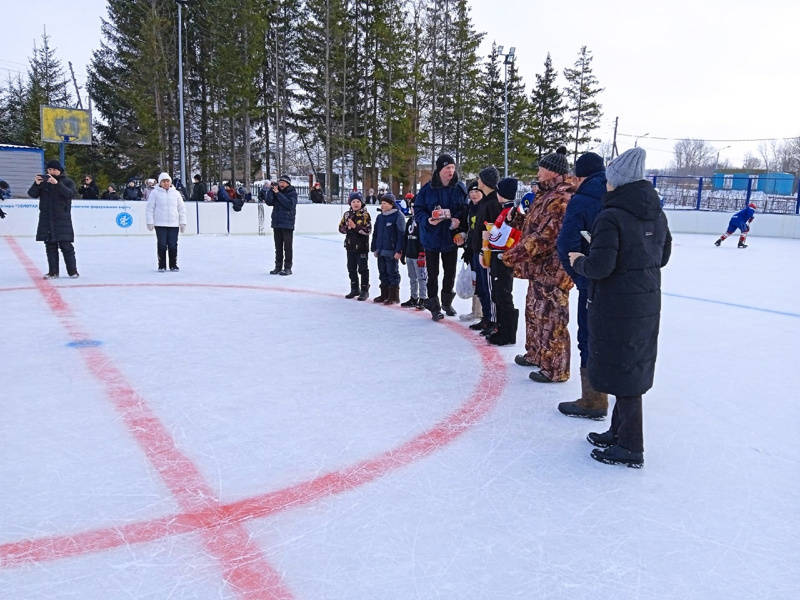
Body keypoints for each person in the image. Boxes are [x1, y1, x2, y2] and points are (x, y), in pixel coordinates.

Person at [568, 147, 672, 468]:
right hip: (644, 301)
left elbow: (600, 266)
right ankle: (617, 431)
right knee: (627, 366)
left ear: (617, 181)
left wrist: (579, 260)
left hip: (616, 304)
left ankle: (630, 446)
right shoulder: (656, 212)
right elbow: (663, 256)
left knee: (623, 371)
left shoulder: (611, 216)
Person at [503, 146, 577, 383]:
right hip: (539, 269)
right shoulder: (545, 194)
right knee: (535, 313)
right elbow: (535, 225)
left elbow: (547, 236)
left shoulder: (562, 197)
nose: (538, 171)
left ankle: (556, 369)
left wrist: (512, 255)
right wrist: (518, 218)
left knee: (552, 320)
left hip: (554, 270)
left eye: (542, 167)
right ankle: (536, 355)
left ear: (553, 172)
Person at [556, 151, 609, 418]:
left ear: (579, 176)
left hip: (592, 280)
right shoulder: (617, 194)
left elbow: (566, 244)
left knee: (588, 336)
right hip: (619, 282)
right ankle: (613, 395)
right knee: (613, 338)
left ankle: (593, 400)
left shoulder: (582, 201)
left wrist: (579, 275)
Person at [414, 153, 468, 321]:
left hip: (450, 238)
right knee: (433, 273)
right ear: (439, 170)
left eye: (452, 167)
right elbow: (418, 211)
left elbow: (465, 208)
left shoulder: (460, 188)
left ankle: (446, 302)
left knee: (450, 272)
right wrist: (428, 221)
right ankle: (434, 305)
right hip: (431, 238)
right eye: (447, 168)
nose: (451, 171)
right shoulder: (427, 190)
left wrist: (457, 220)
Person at [483, 177, 521, 346]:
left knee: (503, 294)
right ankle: (502, 328)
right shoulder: (504, 210)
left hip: (502, 256)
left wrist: (489, 236)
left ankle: (507, 332)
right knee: (499, 293)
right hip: (499, 255)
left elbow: (502, 238)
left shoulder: (509, 212)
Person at [27, 160, 79, 279]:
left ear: (59, 170)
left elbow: (70, 194)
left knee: (66, 246)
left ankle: (73, 271)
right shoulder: (44, 183)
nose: (51, 172)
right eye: (49, 169)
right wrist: (36, 184)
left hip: (62, 219)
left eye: (54, 170)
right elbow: (31, 194)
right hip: (46, 218)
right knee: (50, 246)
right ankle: (53, 272)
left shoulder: (67, 182)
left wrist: (57, 183)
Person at [469, 167, 503, 335]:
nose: (478, 181)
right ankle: (487, 318)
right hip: (478, 250)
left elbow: (494, 230)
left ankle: (493, 320)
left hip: (487, 253)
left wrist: (486, 250)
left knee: (489, 288)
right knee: (482, 287)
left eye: (480, 179)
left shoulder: (493, 203)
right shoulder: (484, 202)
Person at [454, 180, 484, 323]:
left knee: (482, 281)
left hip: (483, 249)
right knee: (474, 280)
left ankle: (484, 313)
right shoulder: (468, 208)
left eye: (476, 192)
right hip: (471, 248)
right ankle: (476, 311)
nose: (473, 195)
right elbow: (466, 227)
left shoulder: (485, 207)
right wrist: (462, 235)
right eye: (471, 192)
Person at [146, 172, 187, 272]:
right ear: (160, 183)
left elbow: (181, 209)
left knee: (173, 244)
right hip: (160, 224)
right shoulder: (155, 193)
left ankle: (173, 265)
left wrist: (183, 222)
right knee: (162, 244)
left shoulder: (176, 193)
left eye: (167, 181)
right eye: (163, 181)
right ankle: (162, 265)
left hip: (173, 224)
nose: (166, 183)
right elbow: (150, 208)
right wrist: (150, 222)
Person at [371, 192, 405, 304]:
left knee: (392, 272)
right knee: (382, 272)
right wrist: (374, 248)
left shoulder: (398, 216)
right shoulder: (380, 217)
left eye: (385, 203)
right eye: (381, 203)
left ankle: (394, 296)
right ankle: (384, 294)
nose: (382, 205)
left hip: (391, 251)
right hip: (380, 250)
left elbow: (401, 235)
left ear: (391, 204)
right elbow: (376, 233)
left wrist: (399, 250)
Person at [338, 191, 372, 300]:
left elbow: (368, 230)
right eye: (353, 201)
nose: (356, 203)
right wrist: (347, 228)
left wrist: (355, 227)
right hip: (350, 246)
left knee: (363, 269)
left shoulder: (365, 215)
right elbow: (341, 228)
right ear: (350, 203)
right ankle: (354, 288)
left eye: (358, 201)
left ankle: (364, 290)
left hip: (362, 247)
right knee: (351, 268)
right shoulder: (347, 215)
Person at [264, 175, 298, 275]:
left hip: (287, 223)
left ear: (288, 183)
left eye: (283, 183)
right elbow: (269, 202)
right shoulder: (277, 191)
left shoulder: (292, 192)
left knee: (287, 247)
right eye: (280, 182)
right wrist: (271, 191)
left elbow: (289, 204)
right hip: (277, 222)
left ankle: (288, 267)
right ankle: (278, 267)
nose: (281, 184)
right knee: (278, 247)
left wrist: (278, 194)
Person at [400, 197, 428, 309]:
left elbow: (425, 238)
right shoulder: (410, 221)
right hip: (410, 253)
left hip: (419, 255)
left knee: (421, 277)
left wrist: (423, 252)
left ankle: (423, 298)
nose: (413, 209)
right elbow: (405, 237)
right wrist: (404, 251)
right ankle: (414, 297)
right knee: (412, 277)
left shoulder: (423, 221)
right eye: (412, 207)